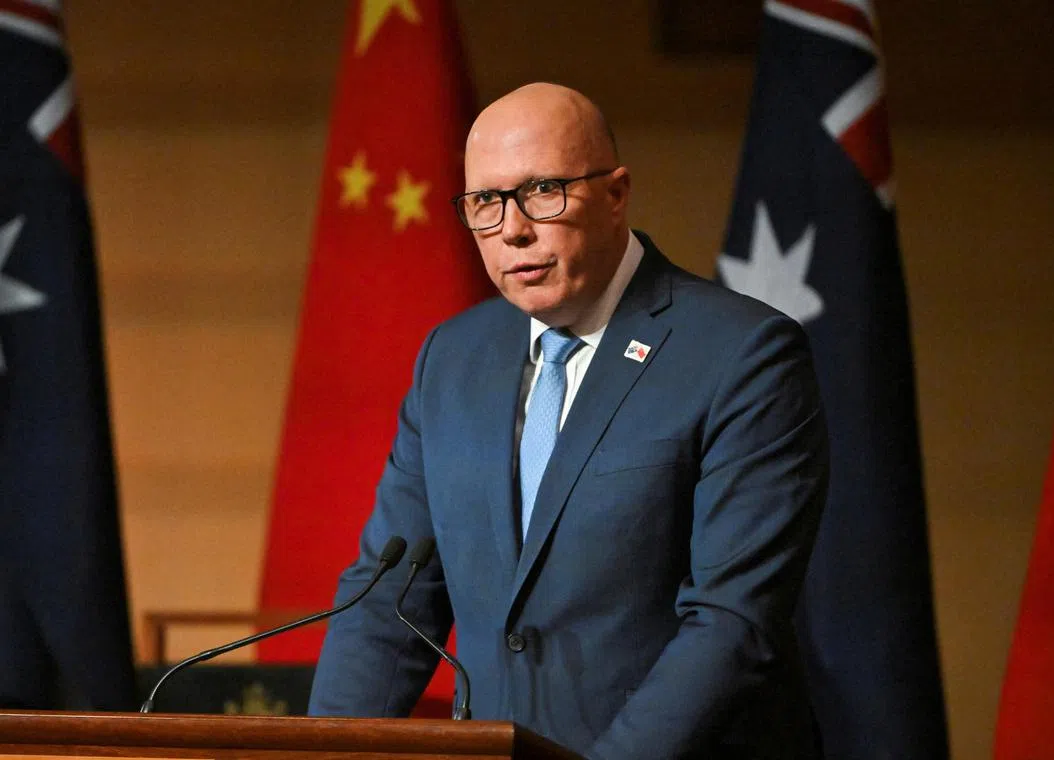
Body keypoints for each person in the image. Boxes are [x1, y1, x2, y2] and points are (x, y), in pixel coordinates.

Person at [308, 82, 829, 760]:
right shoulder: (453, 360)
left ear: (616, 194)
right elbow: (386, 601)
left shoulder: (742, 355)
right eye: (485, 204)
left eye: (544, 191)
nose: (514, 228)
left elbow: (732, 626)